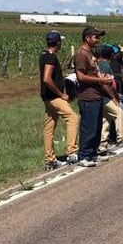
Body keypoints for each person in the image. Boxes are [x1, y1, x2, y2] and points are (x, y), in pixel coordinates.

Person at [74, 26, 114, 167]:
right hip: (87, 96)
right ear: (87, 38)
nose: (98, 40)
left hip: (96, 95)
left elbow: (93, 72)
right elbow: (81, 76)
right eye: (96, 37)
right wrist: (100, 80)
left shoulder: (91, 53)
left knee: (96, 127)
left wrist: (102, 76)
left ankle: (93, 153)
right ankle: (83, 155)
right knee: (88, 127)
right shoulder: (81, 54)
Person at [40, 30, 79, 170]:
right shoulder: (50, 57)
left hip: (46, 97)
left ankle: (50, 160)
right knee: (73, 118)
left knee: (49, 128)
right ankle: (72, 152)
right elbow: (46, 78)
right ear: (57, 43)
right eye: (60, 41)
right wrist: (61, 94)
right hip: (54, 97)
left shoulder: (43, 55)